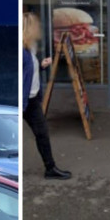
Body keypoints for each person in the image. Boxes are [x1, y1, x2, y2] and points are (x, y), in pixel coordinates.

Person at [23, 12, 71, 180]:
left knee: (42, 132)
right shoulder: (21, 51)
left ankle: (50, 168)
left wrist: (42, 66)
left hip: (32, 99)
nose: (39, 29)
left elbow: (30, 73)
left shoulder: (30, 48)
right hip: (24, 101)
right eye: (35, 26)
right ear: (28, 29)